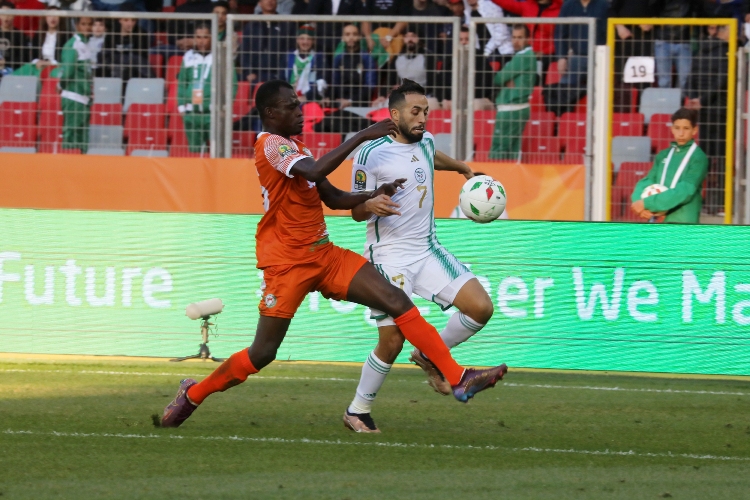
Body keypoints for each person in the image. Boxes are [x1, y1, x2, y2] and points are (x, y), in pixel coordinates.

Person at [161, 80, 508, 428]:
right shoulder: (270, 145)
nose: (300, 112)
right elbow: (315, 172)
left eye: (299, 105)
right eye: (291, 106)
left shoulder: (297, 148)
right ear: (270, 113)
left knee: (397, 301)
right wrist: (363, 135)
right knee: (262, 353)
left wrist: (374, 193)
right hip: (287, 264)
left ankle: (457, 377)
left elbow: (334, 198)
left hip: (324, 255)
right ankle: (193, 394)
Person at [343, 80, 507, 433]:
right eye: (415, 112)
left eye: (426, 112)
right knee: (391, 341)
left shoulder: (426, 141)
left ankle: (431, 353)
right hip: (388, 257)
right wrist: (370, 204)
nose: (422, 118)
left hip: (428, 250)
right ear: (394, 114)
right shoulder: (370, 154)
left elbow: (433, 157)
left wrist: (462, 167)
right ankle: (358, 410)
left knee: (481, 308)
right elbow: (355, 210)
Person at [630, 108, 708, 224]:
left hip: (683, 221)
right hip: (658, 220)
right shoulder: (663, 155)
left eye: (686, 128)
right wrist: (638, 201)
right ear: (672, 129)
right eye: (677, 128)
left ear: (694, 130)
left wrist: (647, 203)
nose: (681, 133)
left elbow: (685, 190)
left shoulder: (698, 157)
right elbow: (648, 180)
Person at [686, 24, 729, 214]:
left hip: (703, 113)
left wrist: (696, 100)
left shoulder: (699, 51)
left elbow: (691, 78)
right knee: (721, 158)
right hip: (721, 111)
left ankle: (702, 203)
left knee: (705, 158)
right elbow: (722, 80)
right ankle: (720, 203)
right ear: (721, 32)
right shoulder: (725, 52)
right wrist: (703, 100)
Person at [177, 22, 236, 154]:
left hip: (213, 113)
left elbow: (232, 84)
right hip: (192, 113)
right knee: (195, 153)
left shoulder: (222, 56)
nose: (201, 41)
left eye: (205, 37)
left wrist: (225, 107)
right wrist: (181, 107)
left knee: (217, 152)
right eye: (198, 37)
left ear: (212, 37)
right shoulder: (188, 57)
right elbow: (182, 83)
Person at [490, 24, 536, 161]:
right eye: (514, 37)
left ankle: (493, 175)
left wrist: (505, 79)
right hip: (516, 108)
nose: (516, 41)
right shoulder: (524, 56)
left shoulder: (523, 57)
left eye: (520, 37)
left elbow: (499, 78)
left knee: (498, 150)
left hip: (512, 108)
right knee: (512, 151)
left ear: (528, 39)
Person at [491, 0, 562, 77]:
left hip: (547, 56)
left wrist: (544, 52)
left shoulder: (560, 11)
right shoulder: (528, 6)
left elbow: (562, 39)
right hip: (526, 53)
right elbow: (507, 3)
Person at [60, 17, 94, 153]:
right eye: (83, 24)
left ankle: (82, 165)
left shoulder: (85, 44)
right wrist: (61, 85)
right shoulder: (73, 45)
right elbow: (67, 72)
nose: (87, 27)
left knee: (82, 138)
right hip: (74, 96)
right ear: (76, 25)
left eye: (89, 24)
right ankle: (67, 165)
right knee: (71, 136)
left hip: (83, 97)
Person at [652, 0, 701, 94]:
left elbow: (698, 8)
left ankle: (681, 102)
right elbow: (652, 7)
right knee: (665, 81)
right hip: (664, 39)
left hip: (682, 40)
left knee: (685, 80)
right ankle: (667, 103)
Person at [240, 0, 292, 83]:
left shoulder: (286, 25)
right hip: (255, 75)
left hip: (278, 75)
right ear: (259, 3)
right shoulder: (251, 25)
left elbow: (289, 51)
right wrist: (249, 72)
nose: (269, 1)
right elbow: (244, 51)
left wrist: (281, 73)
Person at [392, 26, 441, 109]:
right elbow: (391, 81)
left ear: (420, 39)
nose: (410, 39)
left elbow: (432, 83)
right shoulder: (397, 58)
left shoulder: (428, 57)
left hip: (424, 96)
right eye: (407, 36)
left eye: (413, 36)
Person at [331, 23, 377, 107]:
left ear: (359, 37)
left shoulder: (367, 58)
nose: (351, 37)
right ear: (343, 38)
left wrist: (350, 101)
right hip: (340, 103)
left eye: (354, 34)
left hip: (360, 104)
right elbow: (334, 83)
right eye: (347, 34)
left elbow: (370, 86)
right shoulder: (338, 59)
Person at [100, 17, 153, 82]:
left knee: (129, 71)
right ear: (120, 20)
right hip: (115, 68)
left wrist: (117, 58)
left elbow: (140, 59)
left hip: (136, 70)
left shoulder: (142, 34)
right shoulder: (111, 34)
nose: (130, 24)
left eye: (133, 20)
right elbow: (105, 55)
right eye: (126, 20)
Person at [285, 24, 326, 103]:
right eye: (302, 38)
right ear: (297, 40)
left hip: (309, 99)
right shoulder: (289, 56)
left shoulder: (319, 58)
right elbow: (281, 78)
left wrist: (307, 97)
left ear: (313, 41)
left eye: (309, 39)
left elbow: (321, 82)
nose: (305, 42)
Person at [30, 8, 68, 74]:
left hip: (57, 69)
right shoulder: (38, 34)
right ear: (45, 18)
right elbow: (32, 55)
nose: (53, 18)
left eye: (56, 15)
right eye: (50, 15)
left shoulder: (65, 36)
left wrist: (50, 63)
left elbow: (65, 59)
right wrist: (37, 62)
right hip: (39, 68)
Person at [0, 2, 32, 77]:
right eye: (3, 14)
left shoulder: (20, 36)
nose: (6, 18)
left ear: (14, 15)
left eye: (9, 14)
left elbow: (24, 58)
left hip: (13, 73)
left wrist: (6, 62)